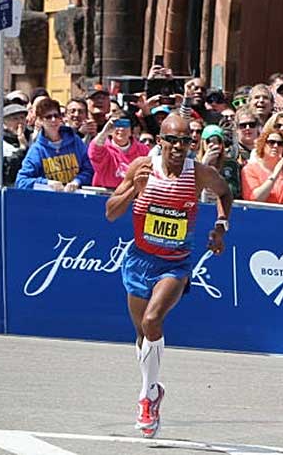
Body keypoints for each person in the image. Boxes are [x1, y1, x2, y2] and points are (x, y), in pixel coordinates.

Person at [104, 114, 232, 439]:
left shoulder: (199, 172)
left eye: (185, 141)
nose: (178, 147)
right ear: (159, 140)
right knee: (141, 336)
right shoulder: (141, 168)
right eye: (172, 140)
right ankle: (155, 388)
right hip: (139, 259)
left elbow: (225, 192)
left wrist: (220, 226)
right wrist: (134, 190)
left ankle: (147, 398)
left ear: (192, 143)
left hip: (175, 264)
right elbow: (110, 212)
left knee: (152, 321)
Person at [16, 98, 94, 191]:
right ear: (40, 120)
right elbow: (21, 181)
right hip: (48, 200)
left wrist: (77, 181)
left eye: (56, 116)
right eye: (48, 117)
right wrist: (47, 183)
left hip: (75, 197)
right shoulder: (37, 149)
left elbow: (89, 170)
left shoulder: (75, 140)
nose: (53, 120)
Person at [241, 129, 283, 205]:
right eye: (271, 142)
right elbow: (254, 198)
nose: (275, 146)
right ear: (263, 144)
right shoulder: (249, 170)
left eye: (280, 143)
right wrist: (274, 175)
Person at [89, 111, 151, 189]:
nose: (121, 129)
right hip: (104, 193)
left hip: (132, 194)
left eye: (125, 125)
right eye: (117, 125)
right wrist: (105, 132)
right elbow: (94, 151)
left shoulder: (143, 150)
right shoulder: (104, 148)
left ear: (132, 130)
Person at [0, 103, 32, 185]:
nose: (20, 122)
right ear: (4, 124)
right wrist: (22, 149)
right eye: (15, 119)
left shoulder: (34, 139)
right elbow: (5, 174)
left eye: (22, 118)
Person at [199, 125, 241, 200]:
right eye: (209, 141)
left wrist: (219, 192)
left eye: (218, 141)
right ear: (203, 143)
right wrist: (204, 163)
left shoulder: (231, 164)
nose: (214, 145)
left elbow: (234, 189)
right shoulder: (194, 163)